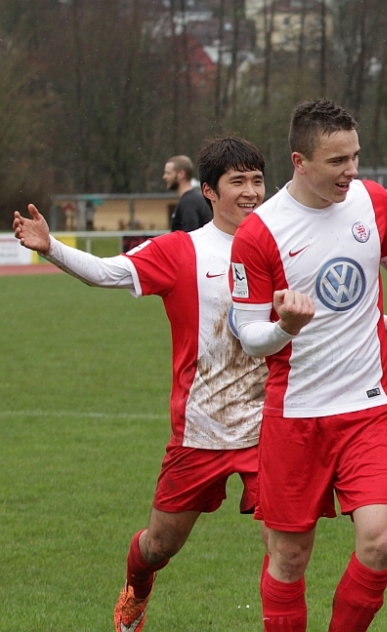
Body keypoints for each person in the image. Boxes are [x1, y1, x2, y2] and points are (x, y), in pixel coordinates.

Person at [14, 137, 269, 632]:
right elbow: (107, 272)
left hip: (270, 424)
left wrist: (383, 324)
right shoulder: (181, 250)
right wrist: (51, 247)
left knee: (285, 545)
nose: (251, 192)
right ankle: (137, 588)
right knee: (159, 545)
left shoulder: (281, 244)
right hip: (201, 431)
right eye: (237, 181)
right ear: (209, 191)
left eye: (257, 180)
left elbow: (319, 313)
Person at [229, 100, 387, 632]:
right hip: (295, 416)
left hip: (369, 408)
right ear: (300, 161)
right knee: (289, 557)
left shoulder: (373, 201)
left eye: (355, 157)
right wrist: (285, 327)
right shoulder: (259, 233)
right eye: (337, 161)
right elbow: (250, 337)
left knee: (380, 541)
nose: (351, 171)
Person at [164, 154, 213, 231]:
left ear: (181, 174)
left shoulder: (189, 202)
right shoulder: (193, 199)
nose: (164, 177)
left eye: (168, 173)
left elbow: (190, 233)